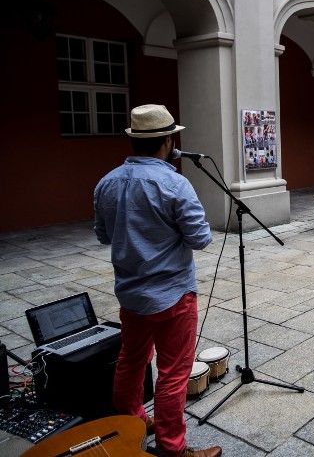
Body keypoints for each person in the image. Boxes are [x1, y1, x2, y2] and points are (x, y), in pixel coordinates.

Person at [93, 104, 220, 457]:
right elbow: (200, 238)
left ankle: (130, 422)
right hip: (173, 295)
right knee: (173, 374)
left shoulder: (107, 182)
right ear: (168, 140)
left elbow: (103, 235)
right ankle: (173, 448)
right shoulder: (175, 183)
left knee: (130, 362)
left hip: (131, 294)